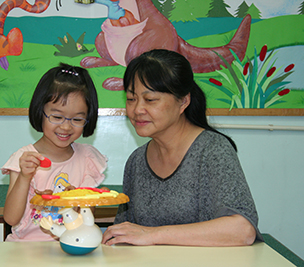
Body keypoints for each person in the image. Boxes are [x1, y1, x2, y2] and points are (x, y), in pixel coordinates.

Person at [102, 49, 263, 247]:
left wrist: (152, 235)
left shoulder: (212, 150)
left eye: (150, 100)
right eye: (131, 99)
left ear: (183, 102)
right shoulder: (136, 161)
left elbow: (242, 230)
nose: (137, 110)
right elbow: (126, 233)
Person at [2, 63, 107, 242]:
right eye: (57, 117)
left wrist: (77, 201)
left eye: (77, 119)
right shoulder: (25, 158)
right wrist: (24, 178)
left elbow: (88, 219)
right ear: (40, 111)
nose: (66, 126)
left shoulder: (87, 159)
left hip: (70, 247)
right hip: (24, 248)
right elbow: (11, 219)